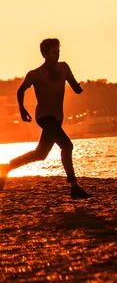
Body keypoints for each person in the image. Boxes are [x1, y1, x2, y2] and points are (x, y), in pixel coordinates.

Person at [0, 38, 92, 199]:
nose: (57, 55)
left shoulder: (63, 67)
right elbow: (20, 90)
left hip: (57, 117)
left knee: (40, 154)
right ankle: (74, 187)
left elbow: (73, 84)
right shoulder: (35, 74)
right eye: (54, 52)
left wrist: (78, 88)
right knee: (67, 146)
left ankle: (6, 168)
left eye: (58, 51)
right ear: (44, 54)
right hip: (44, 117)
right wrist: (22, 109)